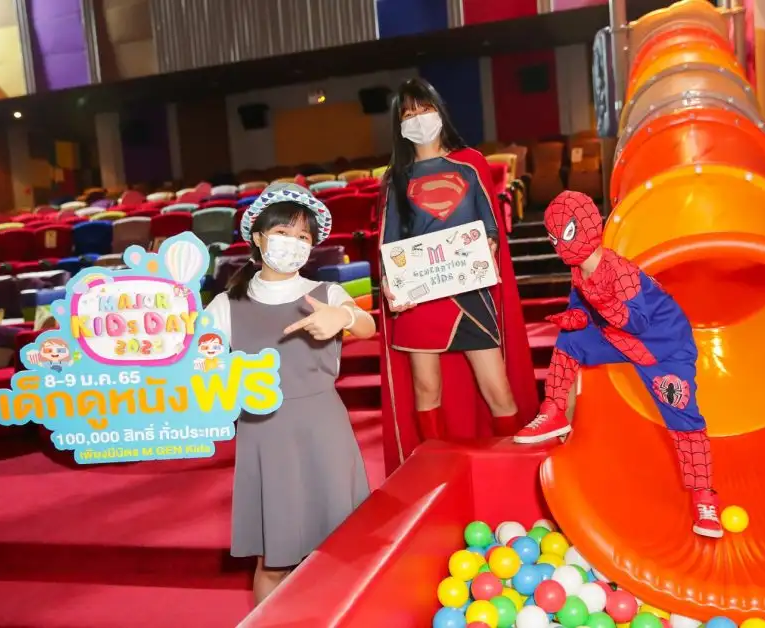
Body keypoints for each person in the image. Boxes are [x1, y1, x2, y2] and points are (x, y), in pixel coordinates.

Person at [513, 190, 722, 539]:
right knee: (569, 341)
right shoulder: (579, 271)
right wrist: (573, 317)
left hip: (663, 349)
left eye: (564, 234)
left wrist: (603, 303)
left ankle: (705, 498)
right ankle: (554, 411)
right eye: (554, 238)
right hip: (619, 340)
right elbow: (581, 308)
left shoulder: (620, 272)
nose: (559, 245)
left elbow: (637, 322)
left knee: (684, 421)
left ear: (587, 228)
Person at [205, 182, 374, 604]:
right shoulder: (225, 305)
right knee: (273, 561)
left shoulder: (326, 294)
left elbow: (367, 325)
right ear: (258, 237)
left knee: (341, 548)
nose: (292, 243)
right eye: (283, 232)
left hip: (324, 430)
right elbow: (194, 362)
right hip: (265, 436)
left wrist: (344, 316)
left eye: (303, 236)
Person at [379, 78, 538, 474]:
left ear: (439, 111)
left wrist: (488, 246)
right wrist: (388, 280)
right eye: (409, 114)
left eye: (424, 109)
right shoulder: (396, 178)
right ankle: (438, 475)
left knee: (497, 388)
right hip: (419, 295)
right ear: (399, 124)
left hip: (469, 291)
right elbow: (390, 241)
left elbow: (490, 225)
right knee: (426, 389)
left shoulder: (469, 164)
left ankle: (515, 471)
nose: (418, 119)